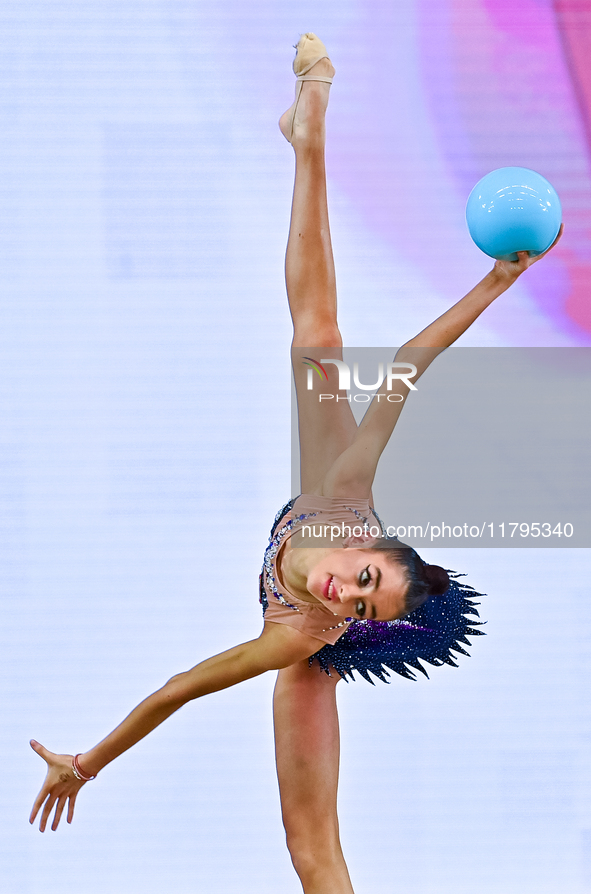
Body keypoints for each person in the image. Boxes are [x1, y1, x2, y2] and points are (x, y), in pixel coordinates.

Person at [29, 33, 563, 894]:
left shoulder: (303, 635)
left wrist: (85, 763)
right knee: (320, 338)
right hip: (311, 503)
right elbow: (411, 366)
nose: (343, 597)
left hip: (298, 649)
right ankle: (307, 132)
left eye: (360, 610)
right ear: (371, 548)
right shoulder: (346, 498)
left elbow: (176, 689)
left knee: (310, 846)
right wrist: (493, 288)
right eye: (364, 583)